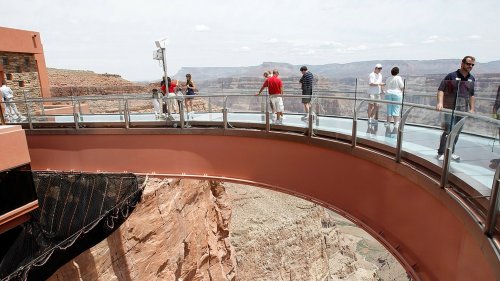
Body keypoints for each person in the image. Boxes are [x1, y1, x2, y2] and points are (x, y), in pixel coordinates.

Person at [436, 56, 476, 162]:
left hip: (462, 109)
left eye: (472, 64)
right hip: (450, 108)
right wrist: (440, 103)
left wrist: (472, 108)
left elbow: (471, 94)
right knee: (448, 130)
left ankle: (450, 152)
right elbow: (441, 89)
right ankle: (441, 152)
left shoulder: (471, 78)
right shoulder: (452, 75)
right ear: (462, 63)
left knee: (457, 131)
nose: (470, 66)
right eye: (468, 64)